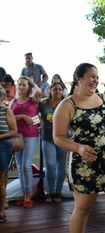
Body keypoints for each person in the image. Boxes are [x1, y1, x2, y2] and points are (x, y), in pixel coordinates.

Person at [53, 63, 105, 233]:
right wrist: (78, 148)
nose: (95, 80)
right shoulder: (67, 105)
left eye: (97, 77)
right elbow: (58, 137)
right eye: (92, 76)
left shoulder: (103, 98)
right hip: (84, 164)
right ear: (79, 79)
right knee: (83, 209)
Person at [9, 76, 42, 209]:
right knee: (21, 167)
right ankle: (23, 195)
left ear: (28, 87)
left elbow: (39, 91)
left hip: (30, 136)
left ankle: (28, 195)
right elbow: (9, 117)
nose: (21, 87)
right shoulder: (14, 101)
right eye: (20, 85)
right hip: (17, 137)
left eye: (24, 85)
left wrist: (32, 83)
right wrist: (21, 116)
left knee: (27, 165)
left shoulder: (33, 100)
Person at [38, 82, 67, 203]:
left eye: (60, 89)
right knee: (50, 165)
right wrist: (39, 124)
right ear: (50, 91)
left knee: (61, 165)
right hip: (47, 137)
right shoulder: (43, 103)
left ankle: (58, 192)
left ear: (63, 91)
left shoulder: (66, 104)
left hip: (63, 137)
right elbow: (35, 115)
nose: (58, 92)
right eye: (55, 89)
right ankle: (50, 191)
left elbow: (71, 120)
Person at [0, 86, 17, 223]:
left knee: (1, 180)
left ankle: (1, 212)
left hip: (3, 146)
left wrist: (1, 136)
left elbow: (14, 131)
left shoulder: (6, 111)